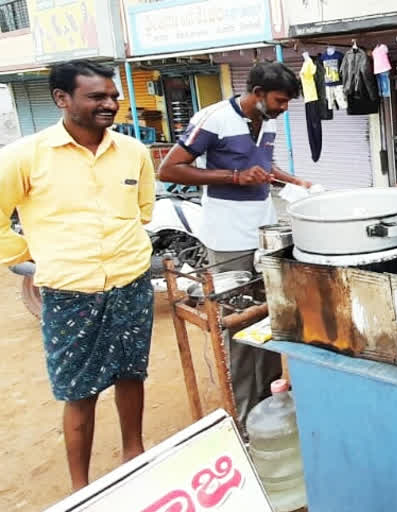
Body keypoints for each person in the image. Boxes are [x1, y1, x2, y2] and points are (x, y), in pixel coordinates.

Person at [0, 60, 156, 490]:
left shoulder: (134, 152)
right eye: (97, 97)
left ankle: (133, 452)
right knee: (78, 390)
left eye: (113, 96)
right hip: (70, 293)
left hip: (131, 282)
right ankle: (80, 486)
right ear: (62, 99)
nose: (110, 104)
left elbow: (142, 212)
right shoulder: (23, 156)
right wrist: (31, 251)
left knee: (130, 373)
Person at [158, 62, 309, 428]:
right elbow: (169, 169)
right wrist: (234, 176)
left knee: (267, 318)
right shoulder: (213, 119)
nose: (283, 108)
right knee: (238, 326)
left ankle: (271, 401)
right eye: (280, 100)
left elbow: (264, 165)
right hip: (227, 238)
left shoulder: (267, 122)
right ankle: (245, 416)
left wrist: (294, 181)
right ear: (257, 93)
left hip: (262, 232)